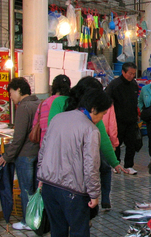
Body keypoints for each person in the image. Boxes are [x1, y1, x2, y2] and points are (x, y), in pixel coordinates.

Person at [38, 89, 111, 237]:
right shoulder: (90, 130)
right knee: (79, 236)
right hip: (73, 191)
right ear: (93, 109)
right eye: (102, 114)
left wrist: (40, 178)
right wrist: (95, 194)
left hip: (50, 186)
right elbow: (91, 166)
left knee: (58, 233)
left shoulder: (58, 119)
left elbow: (43, 149)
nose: (101, 118)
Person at [50, 76, 126, 210]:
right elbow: (50, 136)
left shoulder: (92, 110)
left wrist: (114, 162)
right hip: (63, 168)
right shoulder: (62, 103)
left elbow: (102, 136)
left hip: (65, 172)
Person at [0, 78, 41, 231]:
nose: (11, 97)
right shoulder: (38, 103)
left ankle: (27, 221)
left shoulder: (24, 107)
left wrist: (7, 156)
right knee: (37, 189)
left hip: (25, 155)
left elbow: (18, 138)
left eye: (11, 93)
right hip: (38, 151)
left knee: (26, 189)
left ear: (18, 90)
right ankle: (38, 219)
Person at [105, 62, 140, 174]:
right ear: (123, 72)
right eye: (129, 73)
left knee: (131, 144)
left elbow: (135, 102)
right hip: (117, 120)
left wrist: (137, 115)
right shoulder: (114, 85)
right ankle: (116, 164)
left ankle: (129, 165)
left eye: (133, 74)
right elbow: (107, 101)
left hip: (131, 120)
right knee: (116, 143)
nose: (131, 76)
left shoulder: (134, 84)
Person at [32, 74, 71, 144]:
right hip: (64, 146)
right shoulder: (71, 104)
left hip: (45, 146)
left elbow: (35, 125)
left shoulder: (43, 104)